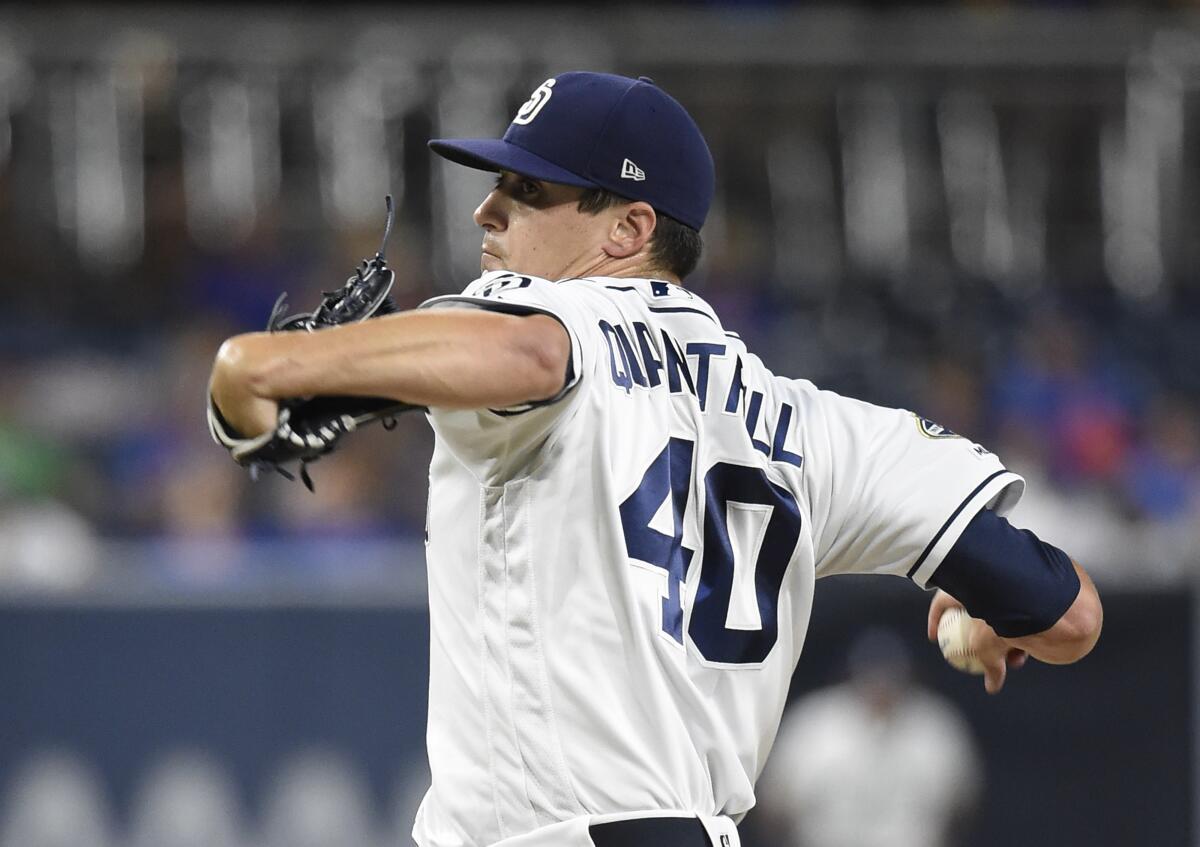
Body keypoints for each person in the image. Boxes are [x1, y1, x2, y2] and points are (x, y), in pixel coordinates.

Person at [207, 72, 1103, 847]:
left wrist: (266, 363)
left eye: (527, 187)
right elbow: (1071, 618)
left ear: (631, 228)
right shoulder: (819, 426)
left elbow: (533, 358)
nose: (488, 208)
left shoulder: (567, 323)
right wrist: (990, 613)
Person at [755, 629, 981, 847]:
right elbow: (774, 805)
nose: (880, 686)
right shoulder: (814, 723)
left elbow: (963, 806)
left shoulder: (935, 726)